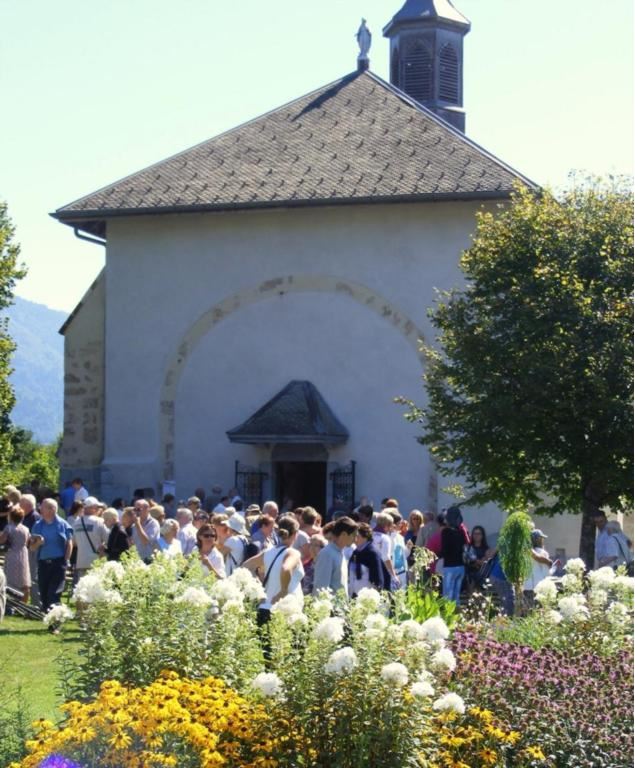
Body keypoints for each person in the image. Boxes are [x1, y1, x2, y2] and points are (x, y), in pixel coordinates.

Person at [244, 515, 305, 623]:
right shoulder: (293, 553)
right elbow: (286, 568)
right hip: (285, 611)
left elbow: (245, 567)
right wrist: (283, 591)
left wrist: (259, 590)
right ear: (295, 534)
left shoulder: (268, 552)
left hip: (265, 608)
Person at [29, 498, 73, 614]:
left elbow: (69, 543)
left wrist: (66, 561)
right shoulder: (38, 525)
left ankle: (55, 623)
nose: (40, 510)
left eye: (42, 507)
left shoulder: (63, 525)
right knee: (44, 593)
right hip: (43, 563)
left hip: (58, 563)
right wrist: (38, 543)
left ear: (52, 509)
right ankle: (49, 618)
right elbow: (32, 548)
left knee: (54, 594)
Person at [312, 516, 358, 595]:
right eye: (353, 535)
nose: (355, 540)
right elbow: (320, 588)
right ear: (343, 534)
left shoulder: (340, 552)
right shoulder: (327, 554)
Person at [72, 496, 109, 581]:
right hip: (96, 561)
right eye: (97, 507)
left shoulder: (76, 523)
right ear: (92, 508)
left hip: (81, 562)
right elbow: (108, 539)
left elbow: (74, 542)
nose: (98, 509)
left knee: (84, 588)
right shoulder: (99, 521)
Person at [0, 507, 31, 602]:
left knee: (10, 579)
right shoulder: (26, 529)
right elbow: (28, 541)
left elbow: (2, 540)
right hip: (23, 553)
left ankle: (10, 604)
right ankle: (23, 603)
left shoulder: (9, 527)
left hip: (12, 553)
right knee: (24, 580)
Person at [349, 523, 387, 596]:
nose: (354, 539)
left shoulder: (372, 553)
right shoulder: (355, 552)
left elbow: (377, 580)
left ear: (365, 536)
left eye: (357, 536)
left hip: (367, 598)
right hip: (354, 595)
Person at [440, 506, 465, 606]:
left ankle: (448, 619)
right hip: (461, 566)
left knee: (447, 596)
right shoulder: (461, 532)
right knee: (456, 596)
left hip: (450, 566)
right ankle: (457, 617)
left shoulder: (445, 532)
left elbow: (445, 550)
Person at [215, 511, 249, 576]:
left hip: (231, 575)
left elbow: (218, 554)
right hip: (238, 572)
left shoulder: (233, 540)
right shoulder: (244, 538)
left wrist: (218, 535)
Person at [523, 529, 553, 596]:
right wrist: (552, 569)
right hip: (538, 586)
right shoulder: (543, 553)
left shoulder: (525, 553)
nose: (543, 540)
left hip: (526, 586)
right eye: (542, 538)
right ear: (538, 540)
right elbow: (546, 573)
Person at [373, 511, 398, 588]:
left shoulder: (369, 534)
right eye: (390, 525)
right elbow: (386, 558)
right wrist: (394, 575)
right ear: (386, 526)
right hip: (381, 571)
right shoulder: (385, 538)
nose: (390, 528)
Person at [131, 499, 160, 563]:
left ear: (147, 509)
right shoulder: (134, 525)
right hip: (137, 559)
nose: (136, 512)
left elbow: (146, 541)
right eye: (135, 510)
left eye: (138, 509)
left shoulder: (153, 523)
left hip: (149, 559)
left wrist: (138, 525)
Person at [464, 525, 490, 591]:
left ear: (482, 535)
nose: (476, 535)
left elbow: (485, 562)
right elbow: (467, 560)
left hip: (481, 574)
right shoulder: (468, 547)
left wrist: (476, 561)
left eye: (478, 534)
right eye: (474, 533)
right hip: (469, 573)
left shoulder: (486, 549)